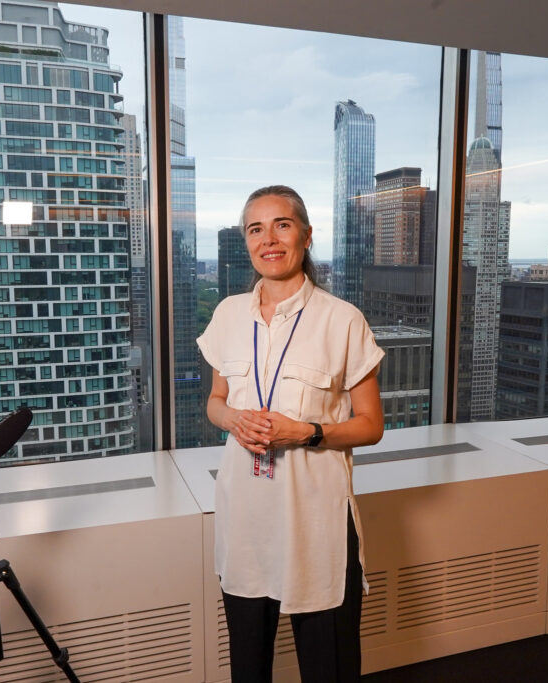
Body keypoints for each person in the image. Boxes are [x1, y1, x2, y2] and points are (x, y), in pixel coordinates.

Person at [197, 185, 385, 682]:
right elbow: (215, 404)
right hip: (245, 517)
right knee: (249, 667)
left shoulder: (343, 320)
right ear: (247, 242)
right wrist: (234, 420)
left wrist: (307, 432)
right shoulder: (228, 315)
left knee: (330, 667)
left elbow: (371, 426)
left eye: (281, 224)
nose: (269, 239)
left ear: (305, 234)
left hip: (315, 518)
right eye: (256, 229)